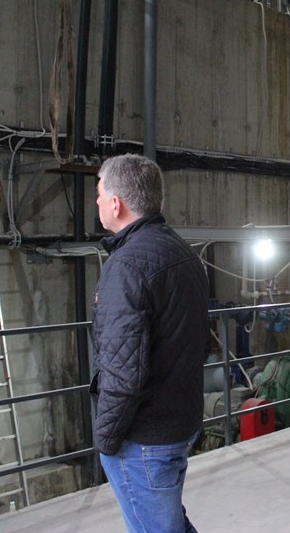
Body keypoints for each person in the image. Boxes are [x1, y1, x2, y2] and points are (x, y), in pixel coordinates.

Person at [91, 154, 209, 533]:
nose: (97, 202)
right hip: (179, 422)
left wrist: (106, 439)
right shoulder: (184, 253)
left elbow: (121, 371)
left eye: (99, 195)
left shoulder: (126, 266)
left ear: (116, 204)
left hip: (143, 437)